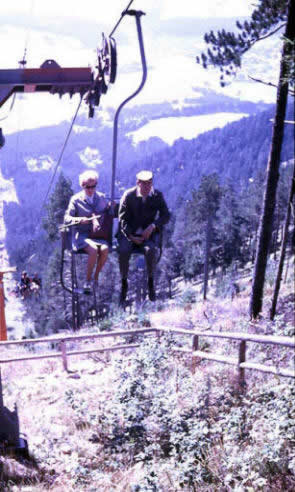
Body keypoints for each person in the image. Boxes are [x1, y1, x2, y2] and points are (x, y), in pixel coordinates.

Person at [118, 170, 170, 303]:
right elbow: (122, 219)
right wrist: (130, 235)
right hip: (129, 233)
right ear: (138, 183)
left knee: (150, 250)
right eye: (144, 185)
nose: (147, 188)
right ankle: (124, 281)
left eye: (149, 184)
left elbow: (166, 215)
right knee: (124, 251)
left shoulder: (157, 196)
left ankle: (150, 281)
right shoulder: (128, 195)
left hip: (147, 234)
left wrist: (153, 226)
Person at [64, 170, 109, 294]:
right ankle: (88, 280)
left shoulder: (100, 197)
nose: (90, 189)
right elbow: (67, 218)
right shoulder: (76, 200)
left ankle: (96, 277)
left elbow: (106, 210)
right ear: (82, 186)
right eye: (87, 187)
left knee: (105, 250)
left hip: (96, 234)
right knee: (94, 250)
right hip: (81, 235)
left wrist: (111, 208)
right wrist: (79, 220)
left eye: (93, 186)